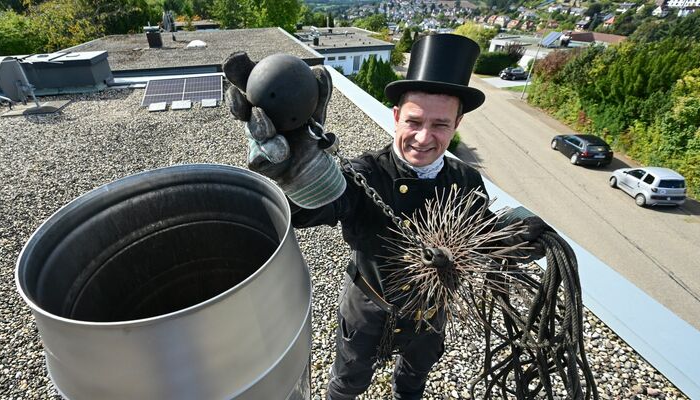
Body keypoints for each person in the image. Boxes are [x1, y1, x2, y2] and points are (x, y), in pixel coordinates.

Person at [223, 34, 550, 400]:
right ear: (396, 117)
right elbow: (308, 210)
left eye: (440, 124)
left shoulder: (465, 180)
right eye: (414, 121)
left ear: (457, 124)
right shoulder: (365, 174)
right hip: (368, 309)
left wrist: (516, 239)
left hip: (431, 315)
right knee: (348, 382)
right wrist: (296, 175)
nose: (424, 137)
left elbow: (482, 235)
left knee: (413, 380)